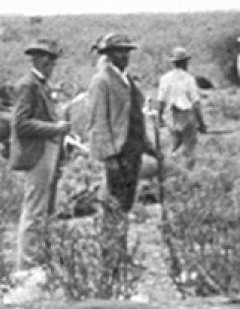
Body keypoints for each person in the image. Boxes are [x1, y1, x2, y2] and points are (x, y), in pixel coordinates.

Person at [8, 39, 70, 271]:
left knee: (45, 209)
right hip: (38, 152)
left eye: (52, 58)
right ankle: (27, 265)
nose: (50, 62)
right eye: (45, 57)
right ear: (35, 58)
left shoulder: (41, 85)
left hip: (48, 150)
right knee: (35, 209)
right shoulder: (28, 85)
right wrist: (55, 128)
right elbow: (20, 124)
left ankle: (40, 260)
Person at [86, 33, 148, 214]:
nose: (124, 56)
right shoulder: (102, 81)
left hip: (133, 148)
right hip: (117, 151)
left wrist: (147, 144)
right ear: (109, 55)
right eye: (119, 52)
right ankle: (111, 240)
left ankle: (119, 240)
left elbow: (136, 114)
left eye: (126, 51)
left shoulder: (128, 80)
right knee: (114, 202)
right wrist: (109, 156)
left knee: (126, 202)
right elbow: (99, 121)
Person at [155, 47, 207, 172]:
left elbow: (160, 102)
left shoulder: (165, 79)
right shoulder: (189, 79)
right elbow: (196, 104)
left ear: (173, 63)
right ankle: (188, 173)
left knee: (174, 146)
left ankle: (172, 172)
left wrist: (159, 119)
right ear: (185, 62)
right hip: (187, 115)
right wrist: (201, 123)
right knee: (190, 148)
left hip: (172, 116)